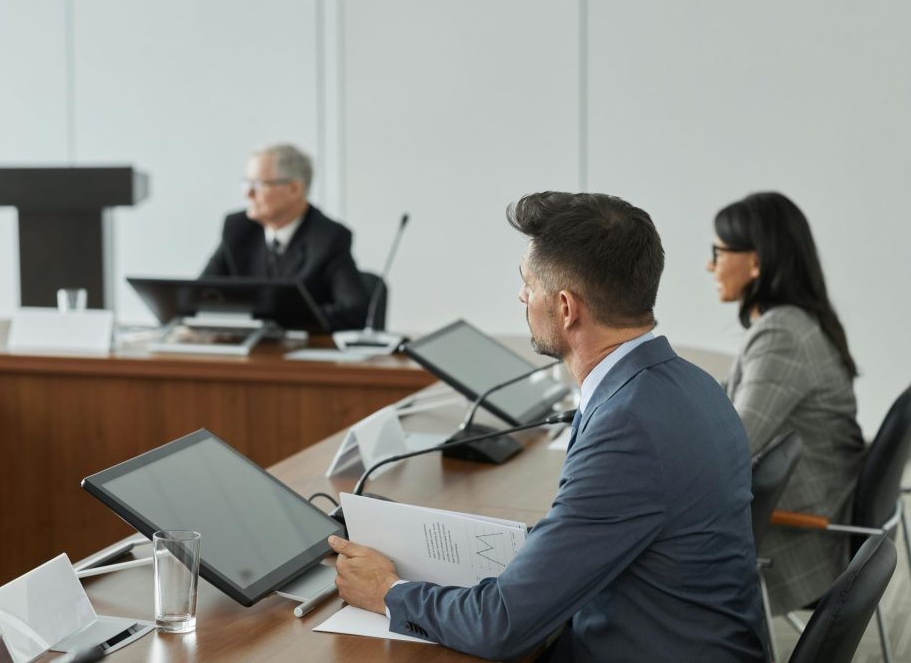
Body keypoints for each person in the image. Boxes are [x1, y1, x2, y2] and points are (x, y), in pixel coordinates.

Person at [330, 192, 767, 661]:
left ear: (565, 307)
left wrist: (388, 591)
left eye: (527, 283)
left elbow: (500, 626)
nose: (521, 296)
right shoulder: (688, 384)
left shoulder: (629, 428)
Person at [708, 191, 864, 614]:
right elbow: (725, 398)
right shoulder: (794, 321)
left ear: (756, 261)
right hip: (817, 508)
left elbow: (733, 443)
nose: (710, 265)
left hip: (800, 540)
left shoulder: (782, 334)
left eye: (718, 252)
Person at [201, 144, 370, 331]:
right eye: (246, 183)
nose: (248, 193)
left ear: (294, 189)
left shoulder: (329, 238)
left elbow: (355, 312)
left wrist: (278, 322)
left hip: (301, 353)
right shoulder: (237, 229)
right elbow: (197, 297)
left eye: (259, 185)